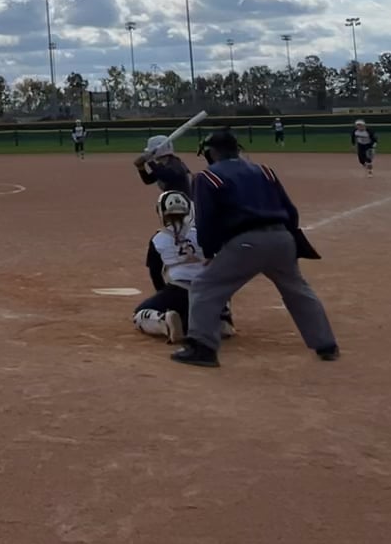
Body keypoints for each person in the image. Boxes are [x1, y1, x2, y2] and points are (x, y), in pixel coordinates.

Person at [172, 131, 337, 368]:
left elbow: (206, 220)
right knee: (298, 290)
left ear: (212, 152)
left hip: (246, 242)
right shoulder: (264, 171)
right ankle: (326, 345)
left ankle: (203, 348)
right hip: (282, 238)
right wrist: (289, 238)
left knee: (205, 286)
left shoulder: (207, 177)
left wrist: (210, 252)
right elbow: (290, 211)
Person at [133, 190, 235, 343]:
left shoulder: (158, 239)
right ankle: (222, 319)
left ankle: (165, 322)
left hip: (179, 290)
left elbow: (155, 273)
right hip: (208, 290)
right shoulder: (202, 233)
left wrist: (164, 296)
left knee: (139, 314)